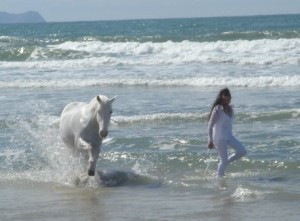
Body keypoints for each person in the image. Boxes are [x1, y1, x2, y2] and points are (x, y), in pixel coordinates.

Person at [207, 88, 247, 177]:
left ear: (230, 98)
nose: (226, 102)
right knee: (223, 160)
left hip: (229, 136)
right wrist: (210, 140)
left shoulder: (231, 108)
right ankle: (219, 179)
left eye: (228, 99)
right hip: (219, 137)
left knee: (242, 151)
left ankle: (223, 165)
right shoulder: (218, 109)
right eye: (224, 100)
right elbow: (210, 125)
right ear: (221, 99)